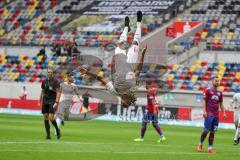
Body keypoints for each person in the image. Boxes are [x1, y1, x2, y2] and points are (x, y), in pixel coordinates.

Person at [78, 11, 146, 108]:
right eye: (131, 102)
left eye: (129, 102)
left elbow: (102, 79)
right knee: (135, 43)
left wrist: (87, 73)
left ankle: (126, 27)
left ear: (123, 100)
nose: (131, 101)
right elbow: (138, 71)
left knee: (121, 42)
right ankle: (139, 22)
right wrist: (142, 55)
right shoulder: (132, 89)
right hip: (131, 63)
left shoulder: (114, 91)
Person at [197, 76, 226, 153]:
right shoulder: (207, 90)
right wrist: (204, 111)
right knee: (206, 130)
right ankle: (200, 144)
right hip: (209, 114)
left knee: (213, 131)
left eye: (218, 81)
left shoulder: (220, 93)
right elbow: (204, 101)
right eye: (216, 81)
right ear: (212, 81)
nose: (218, 82)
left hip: (216, 115)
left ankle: (210, 148)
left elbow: (221, 104)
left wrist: (223, 112)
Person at [39, 67, 61, 139]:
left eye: (51, 72)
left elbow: (58, 92)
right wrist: (40, 100)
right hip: (45, 100)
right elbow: (43, 91)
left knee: (51, 118)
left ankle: (57, 130)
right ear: (47, 73)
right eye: (48, 72)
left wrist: (57, 102)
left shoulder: (56, 81)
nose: (49, 73)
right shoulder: (44, 81)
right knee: (45, 117)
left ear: (53, 73)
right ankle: (48, 135)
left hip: (52, 100)